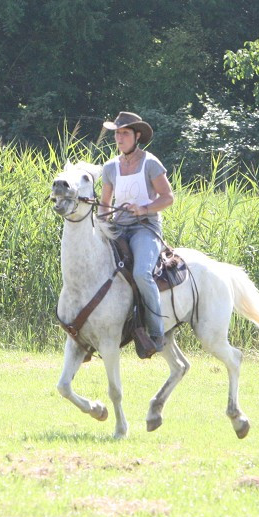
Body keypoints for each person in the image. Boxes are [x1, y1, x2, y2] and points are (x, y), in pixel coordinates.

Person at [101, 111, 175, 353]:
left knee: (142, 274)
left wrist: (143, 209)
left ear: (137, 135)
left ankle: (156, 333)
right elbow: (104, 204)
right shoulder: (110, 167)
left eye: (124, 133)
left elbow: (168, 198)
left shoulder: (151, 163)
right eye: (117, 134)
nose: (119, 138)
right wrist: (102, 222)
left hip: (145, 228)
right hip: (118, 228)